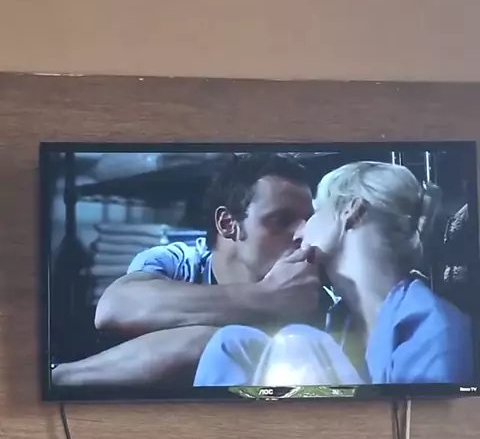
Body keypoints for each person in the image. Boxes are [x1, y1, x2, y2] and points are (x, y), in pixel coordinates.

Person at [194, 161, 474, 387]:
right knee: (231, 342)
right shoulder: (337, 319)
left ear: (351, 212)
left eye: (314, 213)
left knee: (298, 340)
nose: (300, 231)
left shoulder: (434, 326)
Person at [52, 153, 320, 387]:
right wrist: (267, 297)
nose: (303, 233)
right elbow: (113, 308)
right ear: (228, 224)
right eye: (281, 220)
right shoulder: (179, 263)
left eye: (308, 220)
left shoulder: (314, 286)